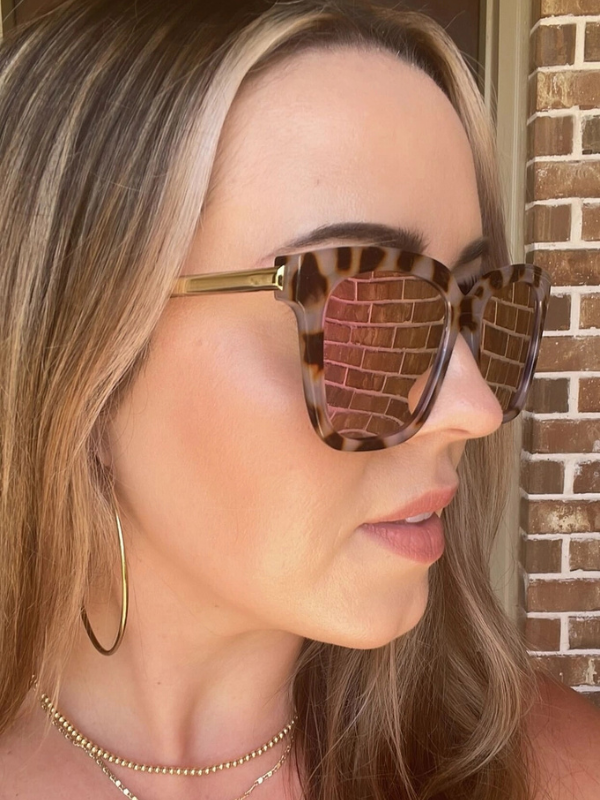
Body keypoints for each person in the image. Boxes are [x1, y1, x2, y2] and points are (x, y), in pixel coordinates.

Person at [0, 0, 599, 798]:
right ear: (80, 355)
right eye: (369, 305)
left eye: (478, 306)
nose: (476, 408)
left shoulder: (553, 773)